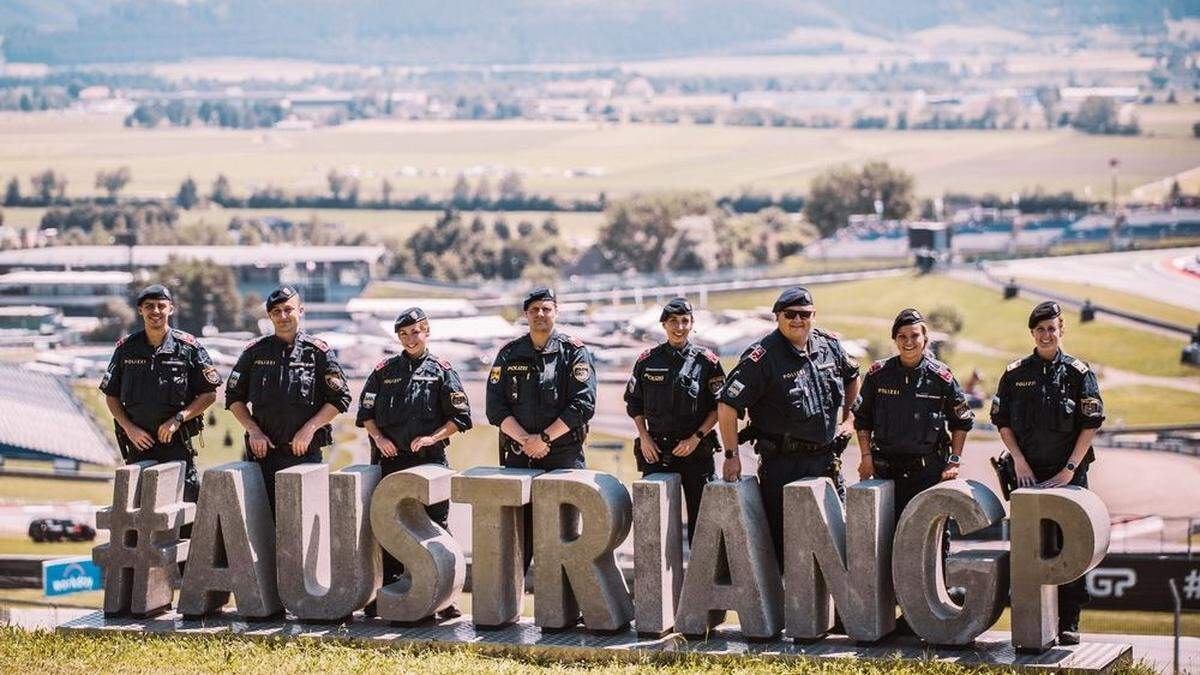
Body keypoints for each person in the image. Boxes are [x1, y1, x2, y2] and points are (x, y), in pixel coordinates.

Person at [717, 286, 860, 564]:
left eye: (804, 314)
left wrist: (849, 419)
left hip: (827, 461)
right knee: (787, 551)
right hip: (784, 466)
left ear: (813, 315)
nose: (797, 320)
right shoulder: (763, 357)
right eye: (790, 314)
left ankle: (832, 608)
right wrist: (731, 455)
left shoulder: (828, 345)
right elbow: (727, 404)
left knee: (837, 548)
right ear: (777, 317)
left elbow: (853, 376)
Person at [990, 300, 1104, 646]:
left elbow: (1091, 423)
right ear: (1032, 333)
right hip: (1028, 477)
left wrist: (1069, 469)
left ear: (1061, 329)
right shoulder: (1015, 374)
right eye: (1040, 329)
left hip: (1069, 478)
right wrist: (1020, 463)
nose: (1046, 334)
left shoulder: (1078, 374)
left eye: (1052, 328)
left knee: (1070, 548)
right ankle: (1037, 622)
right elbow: (1002, 422)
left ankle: (1069, 620)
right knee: (1034, 548)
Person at [356, 307, 472, 620]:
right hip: (391, 463)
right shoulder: (384, 370)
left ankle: (443, 597)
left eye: (416, 332)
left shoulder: (441, 370)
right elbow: (365, 413)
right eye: (404, 334)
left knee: (436, 528)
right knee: (388, 528)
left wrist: (434, 438)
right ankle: (389, 594)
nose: (410, 338)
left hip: (429, 462)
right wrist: (379, 439)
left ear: (427, 332)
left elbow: (460, 418)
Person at [485, 286, 597, 570]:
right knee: (517, 539)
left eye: (546, 309)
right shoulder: (509, 354)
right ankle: (508, 608)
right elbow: (495, 407)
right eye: (534, 310)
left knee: (565, 537)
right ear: (526, 314)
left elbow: (584, 404)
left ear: (556, 312)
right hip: (520, 457)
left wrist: (545, 438)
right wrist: (527, 441)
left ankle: (568, 610)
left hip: (563, 456)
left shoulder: (573, 352)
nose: (540, 314)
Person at [225, 286, 351, 516]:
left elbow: (340, 397)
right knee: (262, 525)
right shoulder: (254, 353)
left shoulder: (318, 352)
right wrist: (253, 431)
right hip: (262, 456)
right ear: (270, 316)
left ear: (300, 310)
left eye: (287, 309)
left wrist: (310, 428)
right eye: (276, 312)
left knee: (304, 522)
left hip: (305, 456)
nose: (282, 316)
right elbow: (233, 397)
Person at [101, 284, 220, 512]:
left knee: (184, 508)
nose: (155, 311)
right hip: (138, 444)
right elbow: (111, 395)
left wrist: (178, 418)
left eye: (161, 306)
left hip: (176, 445)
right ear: (140, 311)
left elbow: (209, 393)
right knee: (137, 511)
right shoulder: (126, 349)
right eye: (149, 306)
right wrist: (129, 428)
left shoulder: (189, 348)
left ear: (171, 309)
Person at [854, 308, 973, 522]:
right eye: (902, 336)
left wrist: (954, 461)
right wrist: (866, 457)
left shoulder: (941, 377)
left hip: (929, 473)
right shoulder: (878, 375)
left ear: (925, 339)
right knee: (883, 535)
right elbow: (863, 419)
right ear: (894, 339)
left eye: (915, 335)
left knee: (931, 537)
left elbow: (962, 421)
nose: (909, 341)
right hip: (886, 472)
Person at [624, 298, 725, 544]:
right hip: (657, 452)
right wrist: (644, 436)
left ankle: (700, 580)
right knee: (654, 530)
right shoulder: (647, 361)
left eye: (684, 321)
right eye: (673, 322)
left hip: (696, 453)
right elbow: (634, 403)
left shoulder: (707, 362)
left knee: (703, 529)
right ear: (663, 325)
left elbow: (718, 408)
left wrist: (696, 438)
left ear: (692, 324)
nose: (679, 327)